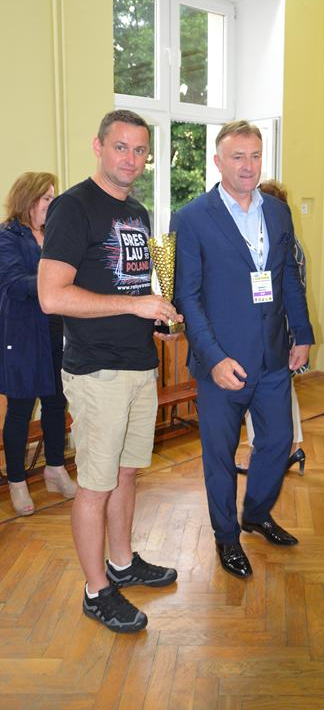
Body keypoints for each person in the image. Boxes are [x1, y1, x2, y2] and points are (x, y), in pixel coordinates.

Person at [38, 110, 182, 634]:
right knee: (95, 486)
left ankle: (121, 563)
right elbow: (52, 296)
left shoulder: (137, 211)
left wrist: (157, 315)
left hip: (139, 364)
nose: (131, 159)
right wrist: (133, 306)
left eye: (140, 150)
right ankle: (96, 590)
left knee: (126, 473)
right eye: (121, 147)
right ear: (98, 147)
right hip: (97, 372)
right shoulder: (73, 207)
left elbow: (130, 288)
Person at [171, 120, 314, 579]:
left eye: (255, 155)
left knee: (278, 441)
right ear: (218, 162)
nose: (248, 165)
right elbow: (187, 296)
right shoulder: (192, 217)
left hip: (273, 355)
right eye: (238, 157)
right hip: (222, 363)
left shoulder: (278, 213)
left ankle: (255, 513)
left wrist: (302, 333)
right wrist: (213, 358)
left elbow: (287, 277)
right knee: (219, 455)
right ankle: (226, 536)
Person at [0, 172, 76, 516]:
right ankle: (17, 481)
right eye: (47, 197)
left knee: (56, 404)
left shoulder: (53, 234)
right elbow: (15, 284)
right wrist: (57, 282)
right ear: (28, 200)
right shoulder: (7, 236)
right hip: (22, 335)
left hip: (56, 332)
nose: (52, 203)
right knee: (20, 410)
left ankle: (55, 469)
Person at [238, 179, 307, 476]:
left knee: (273, 398)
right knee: (278, 396)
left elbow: (293, 291)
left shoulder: (284, 244)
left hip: (280, 332)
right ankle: (283, 450)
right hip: (270, 331)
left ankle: (273, 452)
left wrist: (298, 336)